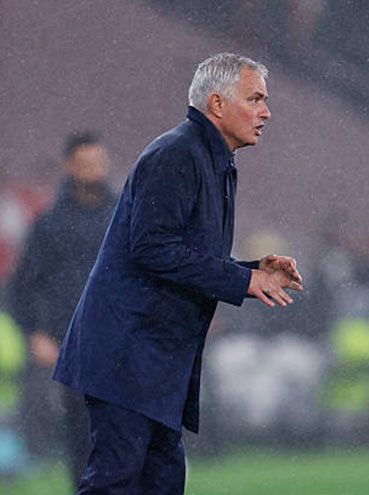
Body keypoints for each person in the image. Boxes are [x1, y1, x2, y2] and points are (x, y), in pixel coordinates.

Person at [53, 53, 303, 494]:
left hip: (155, 359)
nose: (266, 112)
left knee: (161, 483)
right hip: (127, 356)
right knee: (117, 482)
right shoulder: (177, 153)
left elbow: (184, 257)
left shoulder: (210, 158)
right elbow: (151, 248)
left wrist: (251, 273)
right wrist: (241, 280)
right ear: (217, 103)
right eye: (255, 99)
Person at [8, 131, 116, 487]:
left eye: (98, 162)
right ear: (70, 166)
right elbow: (23, 286)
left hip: (122, 341)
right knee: (82, 435)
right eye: (85, 163)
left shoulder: (125, 216)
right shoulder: (50, 224)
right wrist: (35, 334)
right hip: (73, 345)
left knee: (127, 432)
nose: (93, 170)